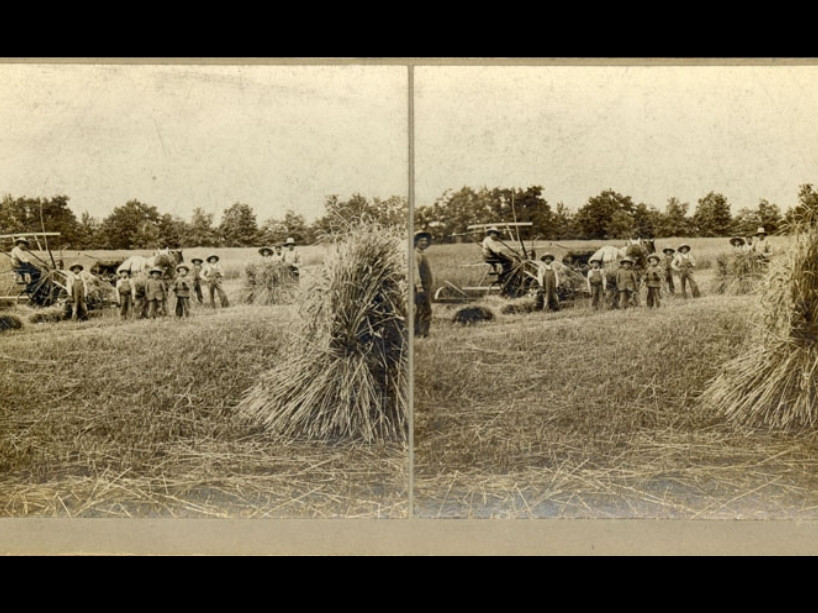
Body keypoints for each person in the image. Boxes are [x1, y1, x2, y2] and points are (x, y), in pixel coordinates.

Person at [413, 231, 433, 338]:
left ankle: (417, 332)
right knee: (425, 310)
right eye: (421, 241)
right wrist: (419, 286)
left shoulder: (422, 254)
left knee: (420, 309)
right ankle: (423, 333)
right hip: (421, 287)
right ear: (416, 242)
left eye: (425, 241)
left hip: (426, 286)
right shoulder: (415, 255)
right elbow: (415, 271)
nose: (424, 243)